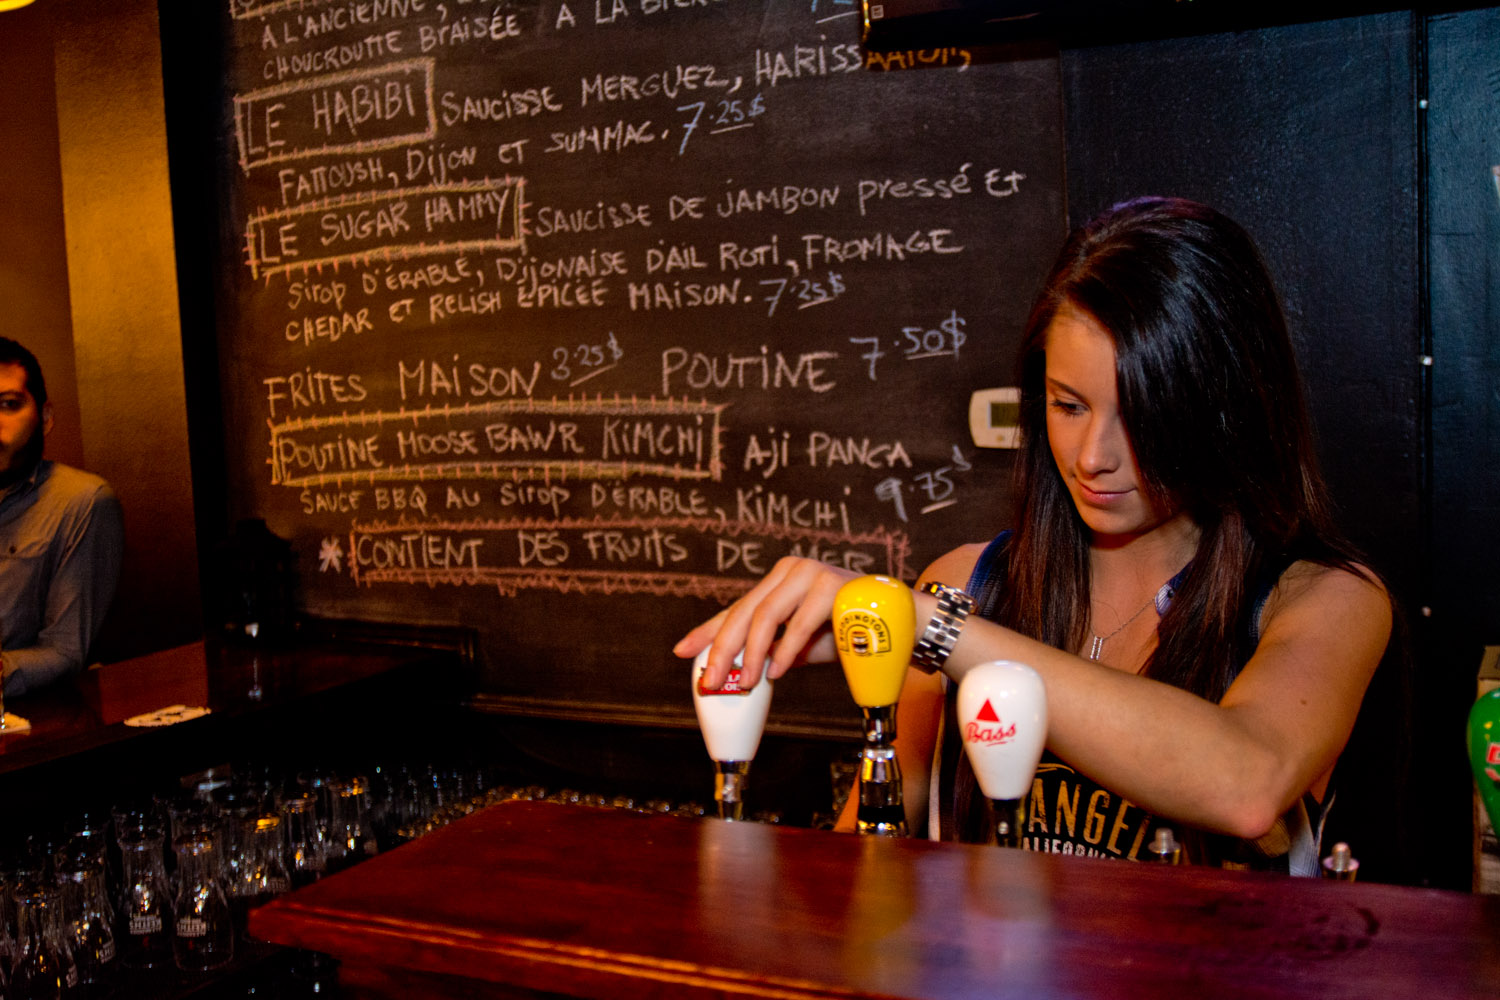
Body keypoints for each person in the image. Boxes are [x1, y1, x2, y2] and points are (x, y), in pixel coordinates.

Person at [677, 197, 1396, 874]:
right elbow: (864, 882)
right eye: (1068, 405)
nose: (1093, 456)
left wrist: (931, 627)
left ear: (1221, 406)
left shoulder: (1323, 601)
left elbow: (1247, 784)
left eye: (1140, 412)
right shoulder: (968, 584)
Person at [0, 337, 123, 698]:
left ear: (45, 418)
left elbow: (66, 651)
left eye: (9, 405)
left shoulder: (81, 502)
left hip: (37, 718)